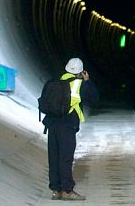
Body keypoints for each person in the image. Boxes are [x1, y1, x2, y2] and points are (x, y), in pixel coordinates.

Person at [43, 57, 99, 201]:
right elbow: (94, 98)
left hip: (52, 124)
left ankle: (56, 190)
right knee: (66, 158)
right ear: (81, 72)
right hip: (67, 125)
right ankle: (67, 190)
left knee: (54, 157)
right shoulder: (80, 84)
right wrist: (87, 81)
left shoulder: (57, 81)